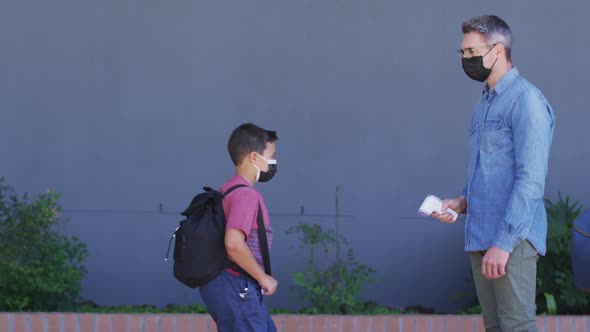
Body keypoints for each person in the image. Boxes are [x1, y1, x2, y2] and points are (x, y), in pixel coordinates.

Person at [432, 15, 555, 331]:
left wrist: (503, 243)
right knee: (496, 327)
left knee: (516, 326)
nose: (466, 59)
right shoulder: (484, 103)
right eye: (462, 53)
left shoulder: (526, 101)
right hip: (482, 235)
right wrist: (460, 203)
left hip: (510, 239)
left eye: (472, 52)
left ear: (498, 50)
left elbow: (531, 180)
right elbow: (490, 173)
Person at [199, 123, 279, 332]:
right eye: (271, 155)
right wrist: (263, 278)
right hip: (237, 286)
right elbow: (233, 244)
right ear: (254, 157)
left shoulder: (227, 189)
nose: (273, 162)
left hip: (232, 286)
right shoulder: (245, 195)